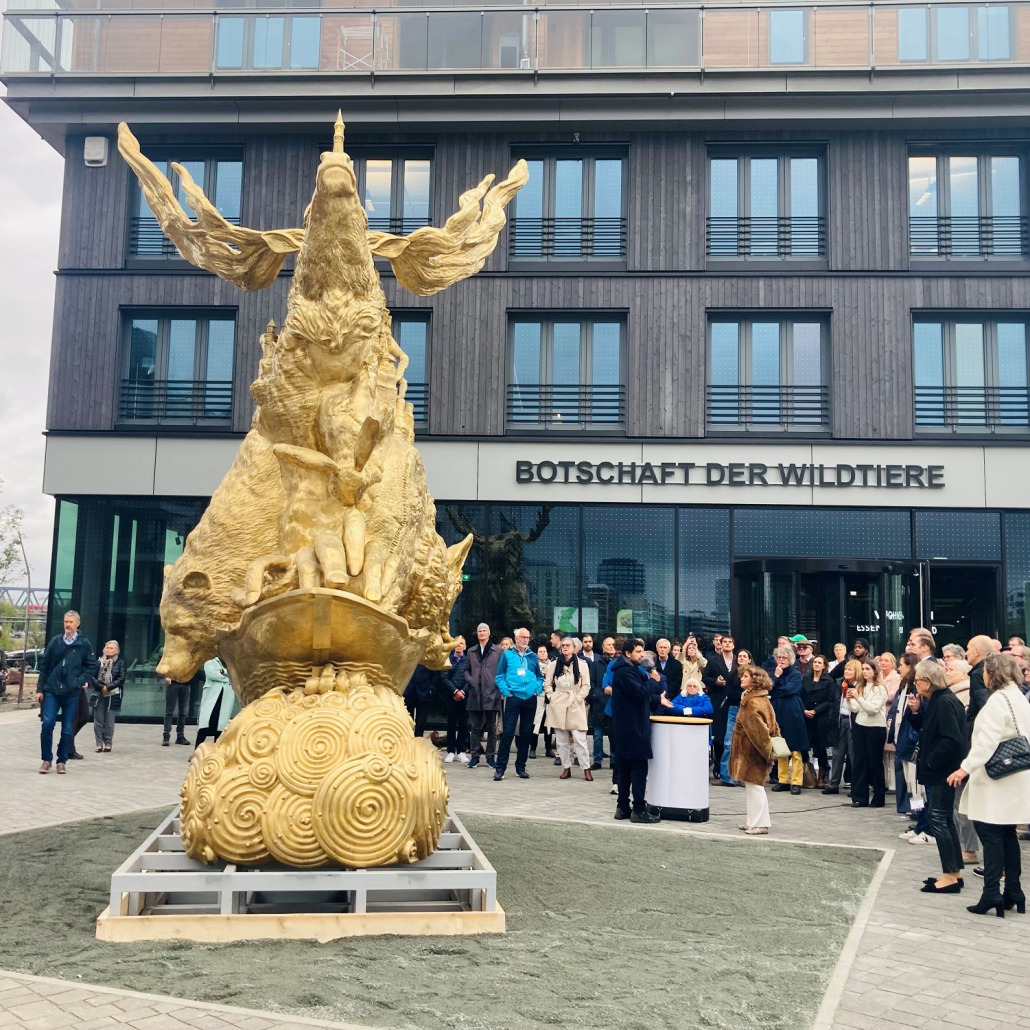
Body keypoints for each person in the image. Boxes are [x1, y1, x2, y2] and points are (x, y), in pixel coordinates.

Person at [947, 652, 1030, 917]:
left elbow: (986, 741)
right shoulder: (1018, 696)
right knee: (1007, 835)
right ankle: (1014, 891)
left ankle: (992, 892)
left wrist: (964, 768)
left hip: (995, 779)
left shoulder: (997, 700)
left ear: (992, 673)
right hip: (1015, 775)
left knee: (991, 834)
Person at [913, 659, 970, 894]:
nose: (915, 684)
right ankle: (953, 872)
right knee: (944, 819)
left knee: (939, 819)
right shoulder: (939, 700)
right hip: (942, 770)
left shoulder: (944, 701)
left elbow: (952, 739)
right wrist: (915, 713)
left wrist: (931, 760)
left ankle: (950, 874)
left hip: (943, 771)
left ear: (926, 682)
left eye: (917, 681)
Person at [35, 610, 99, 774]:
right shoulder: (55, 642)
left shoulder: (84, 644)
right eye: (65, 622)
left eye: (70, 622)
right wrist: (40, 688)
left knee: (68, 728)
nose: (67, 625)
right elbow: (45, 665)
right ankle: (46, 760)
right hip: (52, 690)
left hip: (72, 692)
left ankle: (61, 761)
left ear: (77, 623)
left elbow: (92, 665)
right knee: (47, 724)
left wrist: (80, 681)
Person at [610, 637, 661, 823]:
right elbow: (640, 693)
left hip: (626, 727)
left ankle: (622, 806)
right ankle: (638, 809)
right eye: (638, 652)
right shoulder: (625, 672)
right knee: (638, 768)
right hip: (634, 727)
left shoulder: (628, 670)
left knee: (624, 768)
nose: (642, 655)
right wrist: (654, 681)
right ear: (628, 653)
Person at [730, 665, 780, 835]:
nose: (742, 678)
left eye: (745, 676)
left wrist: (767, 753)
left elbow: (759, 733)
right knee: (752, 786)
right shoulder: (760, 698)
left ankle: (761, 823)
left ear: (755, 681)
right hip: (752, 750)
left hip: (752, 751)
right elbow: (773, 725)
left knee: (756, 787)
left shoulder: (752, 702)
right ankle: (752, 821)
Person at [493, 627, 543, 781]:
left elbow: (540, 677)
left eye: (528, 637)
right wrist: (507, 692)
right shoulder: (507, 655)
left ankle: (521, 766)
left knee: (526, 734)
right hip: (513, 698)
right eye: (523, 637)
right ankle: (500, 768)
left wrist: (537, 689)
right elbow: (499, 676)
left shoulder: (532, 656)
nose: (526, 640)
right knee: (507, 733)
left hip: (530, 698)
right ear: (516, 638)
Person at [544, 637, 593, 781]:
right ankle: (566, 767)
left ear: (574, 648)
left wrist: (578, 698)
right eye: (563, 645)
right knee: (561, 740)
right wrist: (552, 697)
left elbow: (586, 685)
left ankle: (586, 768)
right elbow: (547, 684)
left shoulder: (582, 664)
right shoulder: (554, 664)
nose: (565, 648)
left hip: (575, 703)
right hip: (558, 703)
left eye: (567, 645)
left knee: (580, 738)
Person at [848, 658, 889, 807]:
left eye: (868, 669)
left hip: (876, 728)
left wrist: (858, 698)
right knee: (859, 761)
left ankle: (878, 797)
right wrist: (850, 700)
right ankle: (859, 797)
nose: (865, 672)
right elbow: (856, 708)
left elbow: (873, 709)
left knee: (875, 762)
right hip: (860, 725)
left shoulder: (880, 688)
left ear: (874, 671)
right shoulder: (861, 686)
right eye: (863, 669)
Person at [769, 645, 808, 795]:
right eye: (779, 657)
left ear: (790, 660)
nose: (781, 660)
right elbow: (769, 687)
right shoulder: (774, 673)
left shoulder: (796, 674)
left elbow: (788, 690)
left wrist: (777, 689)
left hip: (793, 712)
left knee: (795, 748)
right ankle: (783, 780)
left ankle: (796, 781)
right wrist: (777, 677)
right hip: (777, 712)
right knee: (781, 748)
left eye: (784, 658)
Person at [464, 623, 502, 769]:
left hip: (492, 693)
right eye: (479, 630)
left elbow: (502, 671)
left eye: (484, 630)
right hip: (475, 693)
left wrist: (496, 685)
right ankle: (474, 756)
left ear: (488, 633)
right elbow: (465, 670)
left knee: (492, 728)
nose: (481, 633)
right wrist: (471, 680)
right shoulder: (471, 651)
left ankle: (490, 756)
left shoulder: (497, 651)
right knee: (475, 727)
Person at [703, 633, 737, 782]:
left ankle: (732, 768)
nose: (727, 644)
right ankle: (718, 764)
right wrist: (715, 682)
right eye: (725, 642)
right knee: (719, 734)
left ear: (733, 645)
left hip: (735, 700)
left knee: (733, 736)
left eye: (730, 642)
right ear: (720, 645)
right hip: (718, 700)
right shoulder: (713, 660)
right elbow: (705, 677)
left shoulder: (739, 660)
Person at [824, 659, 862, 795]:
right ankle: (833, 783)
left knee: (853, 754)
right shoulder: (839, 683)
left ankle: (855, 786)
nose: (846, 671)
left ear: (857, 672)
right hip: (840, 720)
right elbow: (833, 702)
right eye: (846, 669)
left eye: (850, 669)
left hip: (854, 721)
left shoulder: (860, 686)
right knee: (837, 753)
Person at [803, 653, 835, 787]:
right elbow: (800, 696)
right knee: (804, 746)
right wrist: (804, 710)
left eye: (819, 663)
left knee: (820, 748)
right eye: (815, 662)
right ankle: (807, 775)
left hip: (820, 717)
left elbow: (830, 700)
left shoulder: (828, 681)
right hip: (806, 716)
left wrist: (816, 711)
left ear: (824, 666)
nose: (816, 664)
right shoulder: (805, 678)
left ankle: (823, 775)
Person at [90, 640, 126, 753]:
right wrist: (101, 687)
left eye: (111, 648)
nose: (109, 650)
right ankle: (99, 743)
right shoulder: (99, 662)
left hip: (113, 694)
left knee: (109, 721)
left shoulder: (120, 662)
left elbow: (121, 678)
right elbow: (92, 676)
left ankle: (108, 743)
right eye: (107, 648)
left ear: (116, 651)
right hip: (99, 693)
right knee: (98, 720)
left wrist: (108, 687)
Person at [587, 636, 615, 768]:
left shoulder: (618, 663)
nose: (611, 647)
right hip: (599, 703)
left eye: (613, 645)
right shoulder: (596, 663)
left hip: (614, 703)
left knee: (613, 734)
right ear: (603, 647)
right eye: (608, 645)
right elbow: (591, 683)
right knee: (597, 735)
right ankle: (597, 760)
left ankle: (614, 760)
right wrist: (599, 695)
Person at [196, 657, 233, 746]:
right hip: (212, 696)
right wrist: (227, 677)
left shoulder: (230, 661)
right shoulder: (210, 660)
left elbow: (234, 673)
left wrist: (222, 671)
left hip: (225, 697)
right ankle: (195, 753)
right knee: (204, 727)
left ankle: (216, 753)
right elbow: (211, 674)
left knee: (220, 729)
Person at [444, 636, 469, 764]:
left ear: (465, 647)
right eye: (457, 644)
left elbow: (470, 677)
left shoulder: (468, 660)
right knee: (451, 724)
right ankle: (450, 751)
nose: (459, 646)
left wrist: (463, 691)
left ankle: (461, 751)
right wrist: (455, 691)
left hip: (465, 696)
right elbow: (444, 677)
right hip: (451, 696)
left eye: (462, 644)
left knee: (463, 724)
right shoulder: (447, 659)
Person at [403, 664, 439, 739]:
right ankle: (409, 739)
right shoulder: (409, 657)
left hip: (424, 692)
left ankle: (419, 739)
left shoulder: (426, 657)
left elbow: (435, 674)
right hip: (408, 692)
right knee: (407, 718)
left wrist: (431, 689)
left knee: (421, 720)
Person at [163, 671, 198, 746]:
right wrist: (167, 675)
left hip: (186, 684)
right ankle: (166, 736)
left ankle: (180, 736)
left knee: (183, 712)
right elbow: (165, 664)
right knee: (169, 711)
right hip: (173, 683)